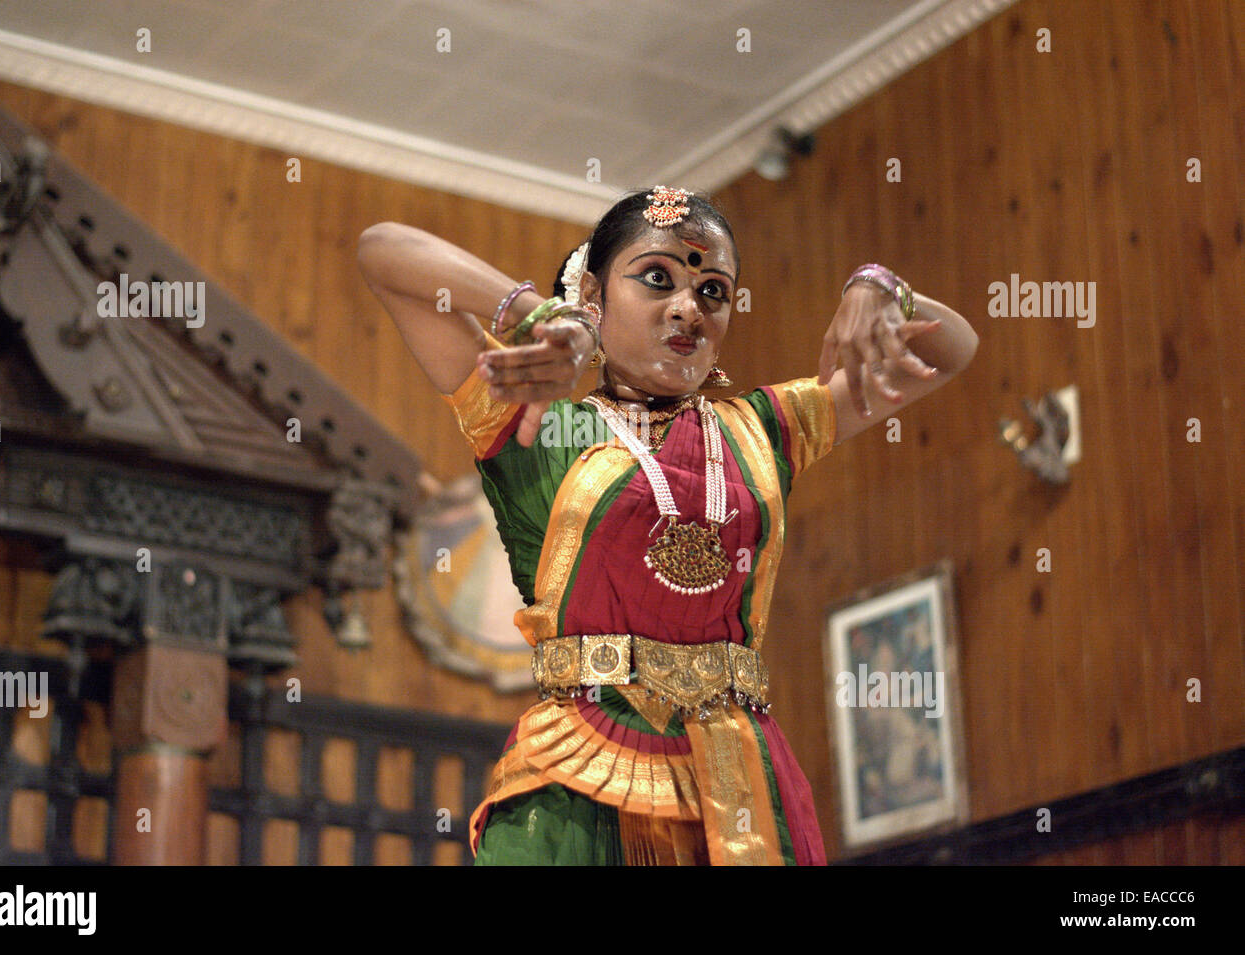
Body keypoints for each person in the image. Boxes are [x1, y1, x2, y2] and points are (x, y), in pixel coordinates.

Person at [357, 186, 978, 865]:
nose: (689, 308)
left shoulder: (765, 430)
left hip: (736, 781)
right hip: (574, 782)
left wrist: (881, 288)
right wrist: (541, 313)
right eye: (658, 278)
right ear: (595, 293)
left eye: (713, 290)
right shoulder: (535, 419)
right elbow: (384, 251)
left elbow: (952, 349)